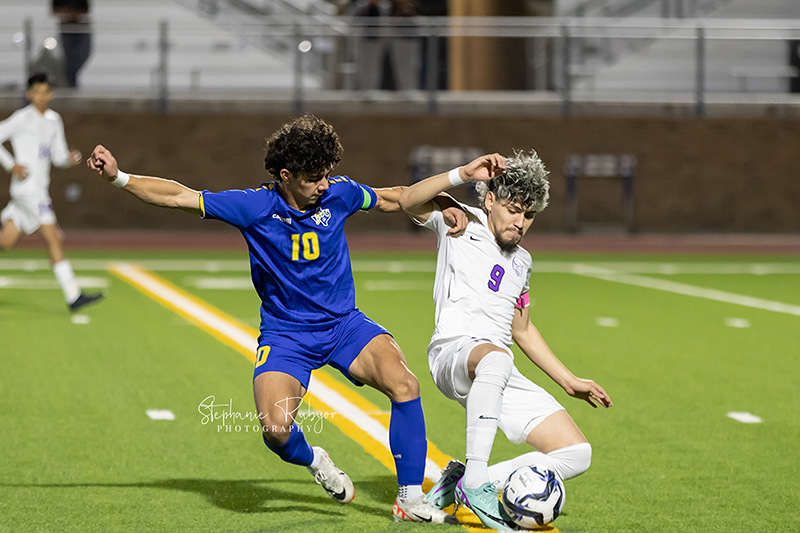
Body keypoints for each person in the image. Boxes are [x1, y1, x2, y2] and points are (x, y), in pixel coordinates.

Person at [86, 115, 468, 524]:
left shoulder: (339, 194)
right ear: (286, 175)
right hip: (287, 337)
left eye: (327, 175)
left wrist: (443, 199)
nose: (323, 184)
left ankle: (409, 500)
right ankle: (316, 460)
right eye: (313, 178)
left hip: (343, 326)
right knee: (276, 429)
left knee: (404, 383)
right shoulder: (255, 207)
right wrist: (118, 177)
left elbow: (398, 197)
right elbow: (178, 196)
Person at [398, 151, 614, 530]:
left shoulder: (523, 262)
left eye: (528, 215)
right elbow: (407, 200)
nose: (520, 222)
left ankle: (462, 483)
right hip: (453, 353)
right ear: (490, 200)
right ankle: (478, 482)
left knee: (577, 453)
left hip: (497, 367)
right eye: (513, 209)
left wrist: (570, 381)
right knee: (497, 358)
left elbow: (523, 330)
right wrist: (460, 174)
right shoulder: (459, 222)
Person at [0, 72, 102, 312]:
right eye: (36, 91)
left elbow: (57, 156)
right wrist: (11, 165)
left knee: (6, 242)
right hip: (29, 192)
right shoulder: (21, 119)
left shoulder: (54, 120)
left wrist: (69, 159)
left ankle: (73, 296)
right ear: (29, 94)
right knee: (53, 237)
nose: (41, 96)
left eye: (45, 91)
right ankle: (73, 296)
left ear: (51, 93)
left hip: (36, 191)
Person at [52, 0, 92, 88]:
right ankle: (70, 85)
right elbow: (54, 11)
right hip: (66, 29)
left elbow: (85, 11)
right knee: (68, 59)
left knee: (82, 56)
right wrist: (69, 14)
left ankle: (72, 83)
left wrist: (70, 13)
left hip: (81, 27)